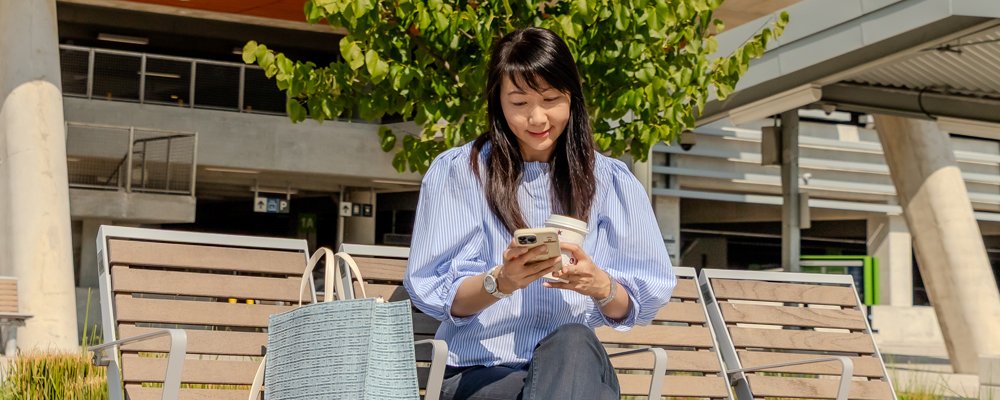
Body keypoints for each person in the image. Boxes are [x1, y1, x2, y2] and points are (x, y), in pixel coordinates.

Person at [404, 27, 676, 400]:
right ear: (497, 102)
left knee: (574, 340)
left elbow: (638, 299)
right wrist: (502, 281)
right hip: (481, 370)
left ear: (571, 99)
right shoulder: (459, 173)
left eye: (550, 99)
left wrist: (601, 286)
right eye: (519, 103)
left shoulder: (611, 181)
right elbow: (440, 294)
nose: (537, 118)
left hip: (577, 366)